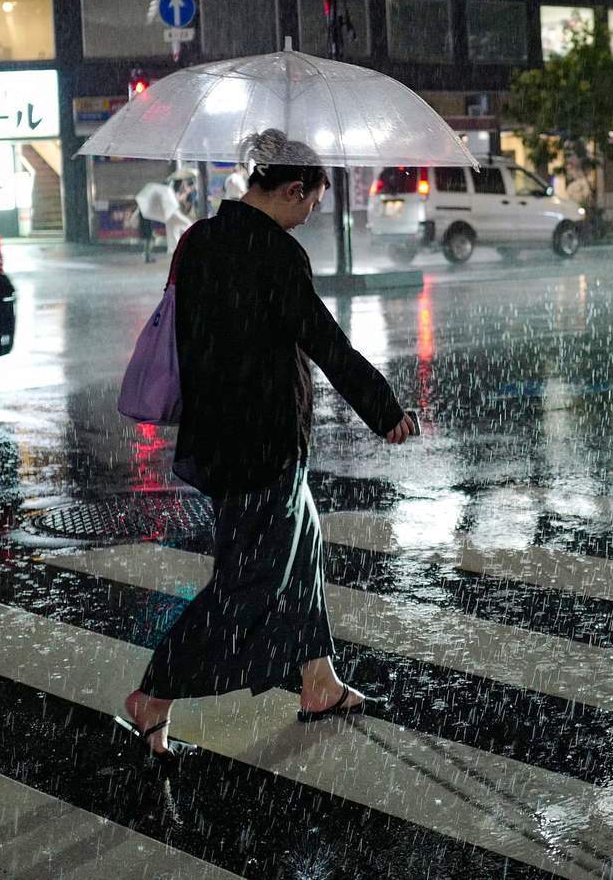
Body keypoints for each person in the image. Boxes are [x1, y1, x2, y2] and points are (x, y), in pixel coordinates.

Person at [119, 129, 417, 761]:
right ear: (291, 190)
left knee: (302, 554)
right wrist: (384, 409)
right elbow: (324, 339)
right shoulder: (274, 253)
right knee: (248, 583)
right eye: (311, 203)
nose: (311, 216)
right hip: (264, 445)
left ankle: (318, 683)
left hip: (223, 438)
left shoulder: (199, 238)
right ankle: (156, 695)